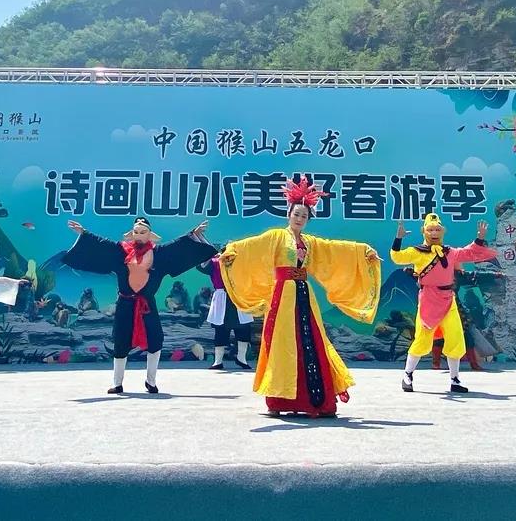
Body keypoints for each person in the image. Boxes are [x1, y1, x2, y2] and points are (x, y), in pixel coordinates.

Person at [220, 178, 381, 418]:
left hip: (305, 295)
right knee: (283, 344)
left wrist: (363, 251)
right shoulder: (276, 236)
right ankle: (278, 400)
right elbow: (253, 246)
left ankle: (318, 401)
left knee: (312, 341)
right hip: (282, 297)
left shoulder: (309, 242)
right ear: (289, 214)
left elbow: (334, 249)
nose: (299, 218)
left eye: (304, 216)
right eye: (296, 214)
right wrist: (232, 250)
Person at [53, 217, 215, 394]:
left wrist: (194, 234)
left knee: (155, 339)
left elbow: (179, 246)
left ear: (150, 235)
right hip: (125, 303)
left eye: (143, 232)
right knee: (121, 340)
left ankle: (151, 381)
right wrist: (84, 233)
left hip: (147, 303)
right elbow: (100, 244)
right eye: (136, 232)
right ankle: (117, 383)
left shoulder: (159, 254)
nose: (139, 235)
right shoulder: (120, 251)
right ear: (132, 234)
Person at [390, 214, 496, 394]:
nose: (434, 233)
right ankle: (407, 375)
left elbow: (469, 253)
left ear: (443, 232)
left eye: (437, 229)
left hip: (448, 300)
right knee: (422, 341)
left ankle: (455, 379)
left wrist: (479, 238)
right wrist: (398, 238)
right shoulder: (417, 252)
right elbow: (397, 257)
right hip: (428, 300)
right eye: (430, 229)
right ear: (424, 231)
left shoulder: (450, 252)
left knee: (455, 339)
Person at [198, 254, 253, 370]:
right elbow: (201, 266)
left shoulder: (242, 261)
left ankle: (241, 358)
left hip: (239, 296)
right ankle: (218, 361)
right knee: (221, 330)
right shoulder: (215, 262)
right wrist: (210, 255)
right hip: (222, 297)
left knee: (244, 328)